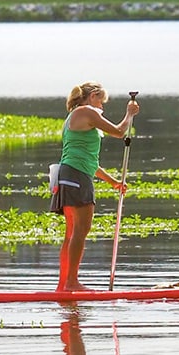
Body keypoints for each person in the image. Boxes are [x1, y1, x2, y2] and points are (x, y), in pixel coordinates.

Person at [53, 81, 138, 291]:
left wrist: (113, 182)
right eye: (101, 101)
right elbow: (119, 132)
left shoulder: (74, 117)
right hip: (76, 176)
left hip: (69, 174)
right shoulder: (87, 112)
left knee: (72, 232)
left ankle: (64, 285)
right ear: (92, 97)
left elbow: (90, 161)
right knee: (80, 231)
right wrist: (129, 114)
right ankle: (71, 282)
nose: (102, 107)